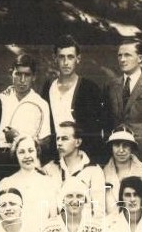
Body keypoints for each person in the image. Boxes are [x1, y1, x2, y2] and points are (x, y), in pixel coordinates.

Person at [41, 35, 107, 164]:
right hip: (54, 157)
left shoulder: (90, 89)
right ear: (55, 59)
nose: (66, 62)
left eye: (70, 57)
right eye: (61, 57)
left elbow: (96, 130)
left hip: (82, 158)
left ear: (78, 59)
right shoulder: (48, 88)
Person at [42, 121, 113, 218]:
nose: (59, 143)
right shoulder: (49, 169)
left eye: (64, 139)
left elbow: (98, 211)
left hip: (85, 229)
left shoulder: (94, 170)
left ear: (78, 142)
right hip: (57, 228)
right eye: (58, 139)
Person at [0, 136, 59, 232]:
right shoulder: (7, 183)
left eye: (30, 151)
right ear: (15, 155)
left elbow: (53, 218)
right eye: (21, 152)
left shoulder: (48, 182)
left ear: (37, 152)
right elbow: (2, 218)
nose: (27, 156)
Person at [0, 54, 52, 156]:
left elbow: (45, 142)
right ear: (10, 74)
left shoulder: (41, 104)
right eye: (18, 74)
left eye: (27, 75)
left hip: (25, 156)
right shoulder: (0, 99)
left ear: (34, 77)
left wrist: (19, 138)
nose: (22, 80)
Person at [102, 125, 142, 209]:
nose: (121, 150)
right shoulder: (102, 175)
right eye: (116, 145)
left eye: (125, 145)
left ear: (132, 148)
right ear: (111, 147)